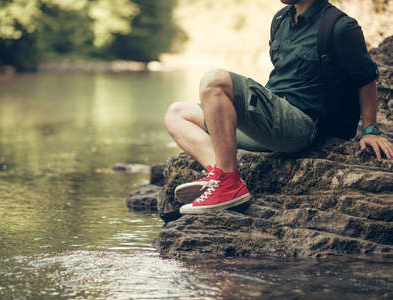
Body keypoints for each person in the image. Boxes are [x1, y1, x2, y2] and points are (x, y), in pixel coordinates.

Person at [164, 0, 393, 215]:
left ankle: (228, 185)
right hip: (270, 123)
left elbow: (366, 78)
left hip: (300, 126)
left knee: (214, 81)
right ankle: (223, 175)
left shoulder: (341, 26)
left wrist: (370, 129)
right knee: (177, 114)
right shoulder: (281, 20)